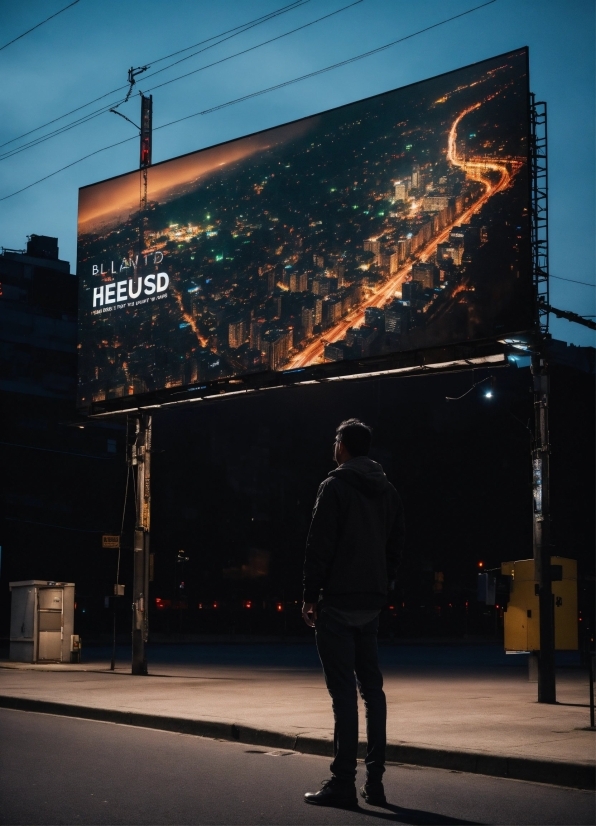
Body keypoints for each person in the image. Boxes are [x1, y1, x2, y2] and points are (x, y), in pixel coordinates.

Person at [302, 418, 405, 809]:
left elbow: (319, 544)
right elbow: (398, 543)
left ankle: (343, 780)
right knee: (373, 692)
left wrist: (310, 595)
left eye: (335, 441)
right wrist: (383, 582)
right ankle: (375, 782)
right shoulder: (388, 490)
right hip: (371, 603)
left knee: (343, 694)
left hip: (339, 603)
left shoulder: (335, 487)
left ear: (342, 445)